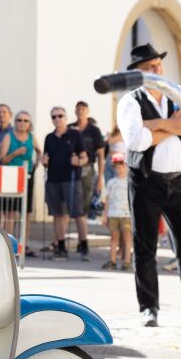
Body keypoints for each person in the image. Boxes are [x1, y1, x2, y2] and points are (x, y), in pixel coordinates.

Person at [118, 42, 181, 328]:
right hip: (146, 181)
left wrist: (155, 124)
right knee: (145, 247)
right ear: (138, 72)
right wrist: (173, 124)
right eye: (150, 67)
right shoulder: (129, 101)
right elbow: (136, 141)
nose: (157, 69)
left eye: (158, 64)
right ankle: (148, 308)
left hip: (178, 181)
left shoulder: (180, 94)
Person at [41, 106, 87, 260]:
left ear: (66, 118)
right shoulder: (49, 137)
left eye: (60, 116)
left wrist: (78, 161)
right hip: (53, 179)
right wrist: (44, 162)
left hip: (71, 179)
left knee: (78, 213)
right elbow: (46, 158)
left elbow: (85, 157)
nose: (57, 119)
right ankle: (60, 247)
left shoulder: (75, 134)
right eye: (53, 117)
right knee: (57, 215)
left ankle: (84, 246)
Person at [69, 101, 105, 260]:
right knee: (72, 206)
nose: (80, 112)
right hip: (71, 169)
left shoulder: (94, 131)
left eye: (83, 109)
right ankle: (75, 240)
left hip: (88, 170)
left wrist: (101, 177)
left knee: (83, 206)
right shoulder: (70, 128)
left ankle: (82, 240)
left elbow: (101, 156)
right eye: (78, 109)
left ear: (87, 111)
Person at [1, 109, 39, 236]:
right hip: (11, 177)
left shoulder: (32, 138)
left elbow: (40, 151)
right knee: (10, 212)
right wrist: (15, 153)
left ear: (29, 123)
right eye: (19, 120)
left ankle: (24, 243)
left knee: (26, 212)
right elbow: (2, 159)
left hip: (27, 176)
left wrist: (37, 164)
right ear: (15, 122)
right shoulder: (8, 136)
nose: (22, 123)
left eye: (25, 120)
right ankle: (10, 243)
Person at [101, 153, 132, 270]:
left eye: (122, 166)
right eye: (117, 167)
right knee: (114, 238)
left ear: (127, 166)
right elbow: (107, 199)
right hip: (113, 214)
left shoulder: (130, 182)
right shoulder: (111, 182)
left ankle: (127, 261)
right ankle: (112, 260)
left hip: (126, 214)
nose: (120, 169)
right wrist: (105, 215)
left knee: (127, 238)